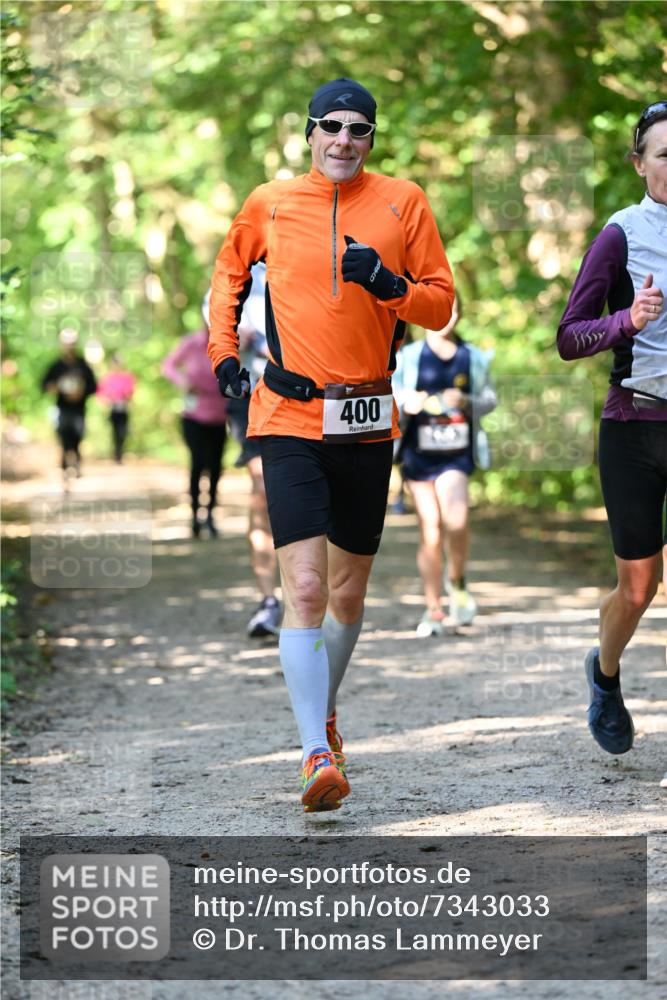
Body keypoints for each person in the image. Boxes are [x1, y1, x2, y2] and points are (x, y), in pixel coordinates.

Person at [208, 77, 455, 812]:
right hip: (285, 414)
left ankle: (326, 715)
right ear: (309, 132)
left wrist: (387, 284)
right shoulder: (270, 201)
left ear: (371, 139)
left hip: (367, 419)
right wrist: (224, 351)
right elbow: (226, 275)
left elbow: (440, 304)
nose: (344, 140)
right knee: (307, 589)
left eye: (359, 130)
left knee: (348, 592)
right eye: (332, 127)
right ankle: (315, 750)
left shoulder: (402, 201)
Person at [557, 100, 667, 757]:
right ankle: (603, 676)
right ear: (640, 164)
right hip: (633, 426)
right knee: (638, 585)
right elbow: (569, 337)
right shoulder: (621, 233)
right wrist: (625, 322)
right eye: (665, 155)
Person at [393, 298, 496, 636]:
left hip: (457, 454)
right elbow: (391, 396)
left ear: (460, 314)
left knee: (457, 520)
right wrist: (409, 401)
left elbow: (490, 400)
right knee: (431, 529)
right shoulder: (409, 356)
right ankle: (434, 609)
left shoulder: (472, 357)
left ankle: (458, 583)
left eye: (452, 310)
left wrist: (466, 402)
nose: (445, 318)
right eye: (438, 310)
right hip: (418, 456)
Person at [203, 272, 282, 638]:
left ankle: (308, 595)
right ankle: (269, 600)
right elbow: (214, 314)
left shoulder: (307, 248)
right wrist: (238, 338)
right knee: (265, 491)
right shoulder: (238, 271)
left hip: (303, 393)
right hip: (251, 392)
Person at [162, 326, 228, 538]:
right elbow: (168, 366)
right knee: (198, 462)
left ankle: (210, 514)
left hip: (219, 414)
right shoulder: (191, 343)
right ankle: (194, 516)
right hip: (193, 415)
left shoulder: (229, 341)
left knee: (216, 466)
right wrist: (184, 382)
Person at [41, 328, 97, 483]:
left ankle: (77, 461)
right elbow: (44, 385)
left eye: (72, 343)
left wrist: (82, 391)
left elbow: (93, 386)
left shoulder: (83, 365)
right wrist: (55, 387)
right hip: (62, 408)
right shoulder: (56, 366)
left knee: (78, 435)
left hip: (79, 409)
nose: (69, 346)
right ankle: (65, 465)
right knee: (63, 435)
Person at [96, 354, 136, 463]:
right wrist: (106, 401)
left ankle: (119, 453)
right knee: (115, 431)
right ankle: (117, 455)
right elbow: (100, 393)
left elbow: (131, 392)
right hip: (113, 409)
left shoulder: (127, 377)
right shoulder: (108, 378)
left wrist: (126, 397)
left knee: (123, 432)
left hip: (124, 408)